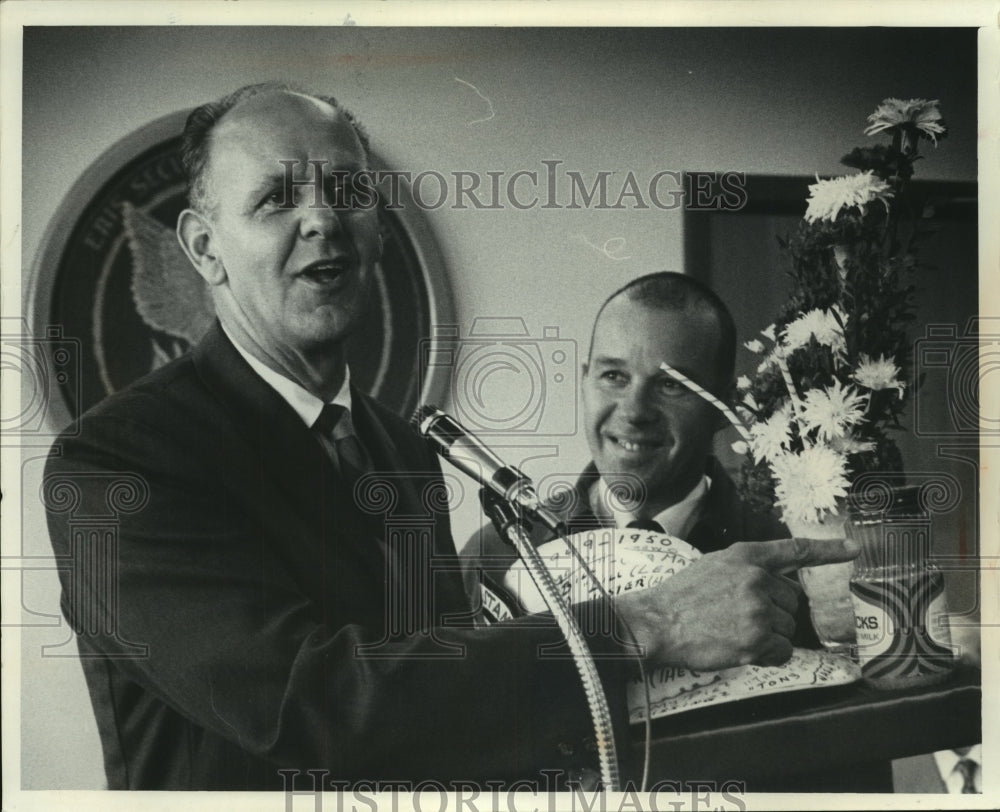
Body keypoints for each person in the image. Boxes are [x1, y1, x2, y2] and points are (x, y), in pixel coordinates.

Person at [44, 84, 857, 791]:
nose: (323, 219)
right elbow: (313, 707)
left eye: (347, 191)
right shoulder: (116, 460)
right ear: (202, 248)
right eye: (277, 199)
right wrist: (649, 623)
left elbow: (441, 715)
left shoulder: (401, 451)